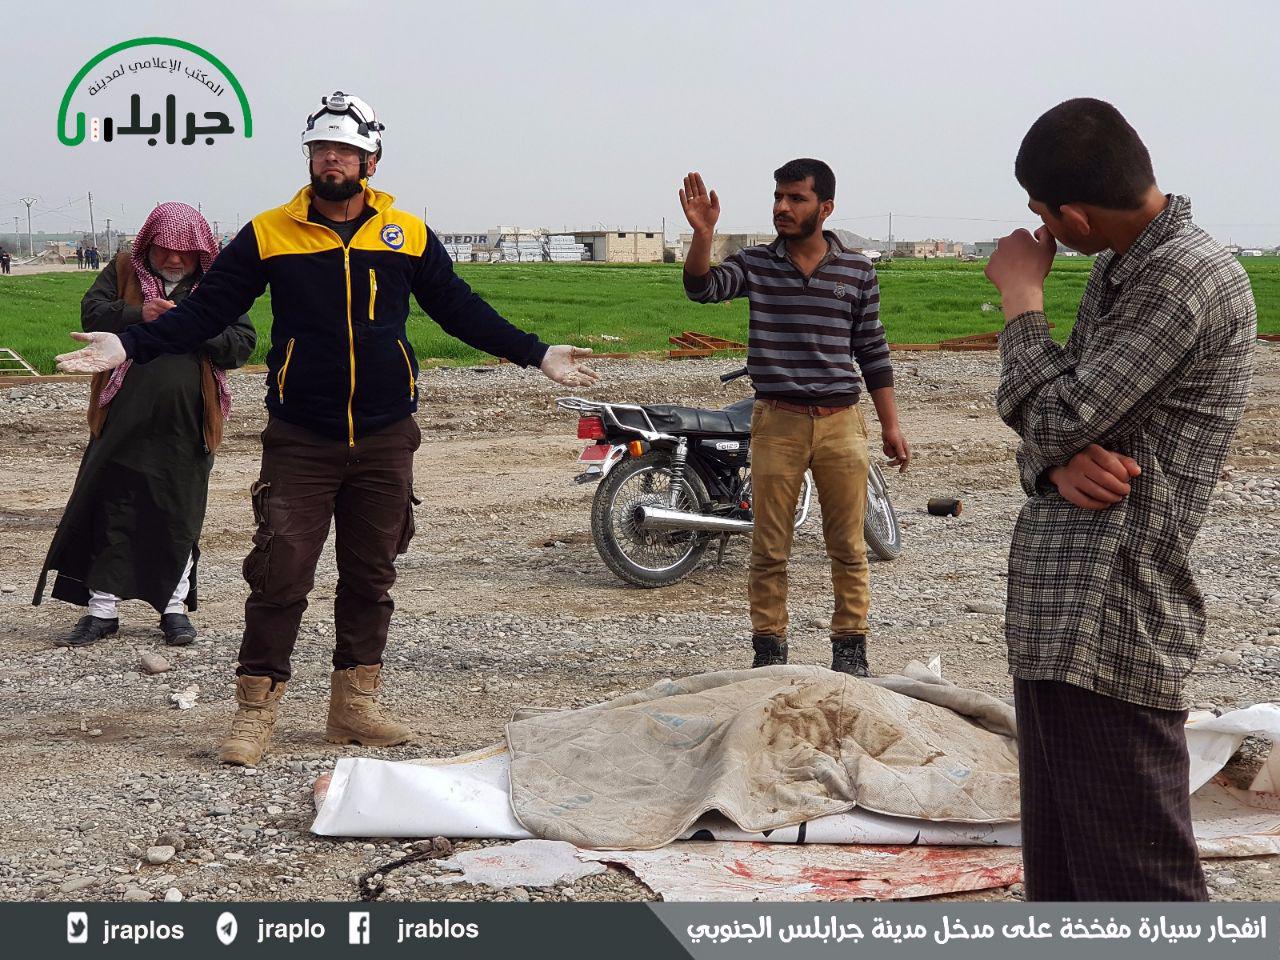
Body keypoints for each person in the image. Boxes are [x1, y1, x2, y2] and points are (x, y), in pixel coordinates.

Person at [56, 90, 599, 767]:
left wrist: (537, 353)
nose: (331, 159)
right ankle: (256, 711)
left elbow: (460, 309)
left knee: (371, 574)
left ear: (371, 159)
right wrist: (127, 344)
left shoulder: (404, 234)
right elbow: (206, 313)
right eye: (321, 149)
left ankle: (353, 707)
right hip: (302, 435)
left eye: (344, 149)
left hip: (385, 433)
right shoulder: (269, 233)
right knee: (280, 572)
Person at [985, 98, 1256, 901]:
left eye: (1042, 213)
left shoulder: (1183, 280)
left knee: (1142, 889)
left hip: (1114, 612)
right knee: (1064, 881)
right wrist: (1052, 468)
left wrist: (1021, 301)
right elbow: (1054, 423)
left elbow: (1054, 414)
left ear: (1073, 215)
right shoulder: (1122, 263)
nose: (1039, 229)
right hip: (1060, 610)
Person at [680, 160, 910, 676]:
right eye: (778, 197)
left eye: (796, 198)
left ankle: (850, 653)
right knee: (769, 548)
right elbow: (702, 287)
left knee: (848, 546)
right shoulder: (756, 264)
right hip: (777, 422)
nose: (782, 207)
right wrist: (704, 235)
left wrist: (891, 424)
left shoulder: (857, 271)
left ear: (825, 208)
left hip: (841, 422)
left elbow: (872, 349)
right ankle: (769, 653)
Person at [35, 203, 255, 647]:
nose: (173, 259)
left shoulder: (215, 285)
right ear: (148, 246)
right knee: (111, 506)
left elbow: (242, 344)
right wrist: (141, 316)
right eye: (164, 250)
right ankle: (101, 611)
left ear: (200, 252)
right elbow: (92, 315)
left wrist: (191, 324)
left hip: (187, 425)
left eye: (184, 252)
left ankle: (173, 609)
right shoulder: (123, 271)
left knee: (178, 513)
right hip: (120, 419)